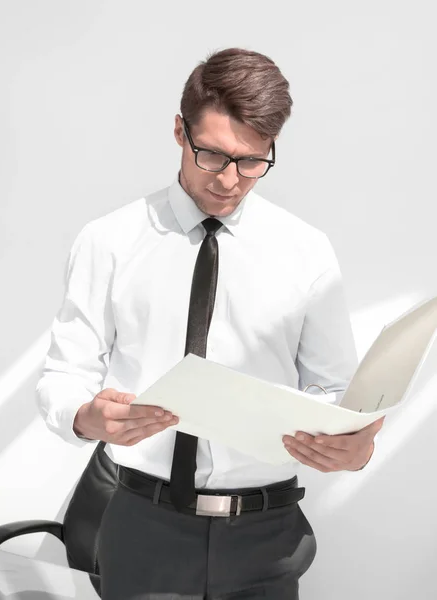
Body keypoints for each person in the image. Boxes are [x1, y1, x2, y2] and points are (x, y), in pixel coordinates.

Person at [36, 47, 384, 599]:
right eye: (213, 156)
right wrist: (85, 416)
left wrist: (353, 443)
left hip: (268, 536)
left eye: (252, 161)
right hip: (141, 525)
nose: (230, 180)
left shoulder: (306, 251)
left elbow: (333, 388)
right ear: (180, 131)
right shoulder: (110, 241)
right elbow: (64, 372)